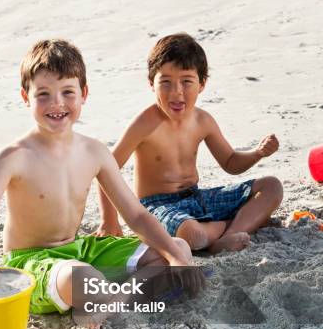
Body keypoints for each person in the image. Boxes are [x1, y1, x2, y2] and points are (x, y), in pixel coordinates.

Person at [0, 39, 204, 328]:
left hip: (81, 249)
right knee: (83, 278)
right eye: (43, 94)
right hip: (33, 261)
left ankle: (108, 305)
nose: (57, 103)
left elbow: (136, 215)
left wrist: (175, 257)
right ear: (25, 96)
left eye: (67, 92)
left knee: (178, 248)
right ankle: (111, 298)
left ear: (83, 94)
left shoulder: (94, 152)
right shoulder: (14, 157)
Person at [96, 33, 283, 254]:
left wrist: (257, 153)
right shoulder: (145, 123)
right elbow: (106, 168)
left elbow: (231, 162)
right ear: (151, 83)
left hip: (197, 198)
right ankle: (230, 229)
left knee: (271, 186)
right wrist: (109, 220)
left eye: (186, 81)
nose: (176, 92)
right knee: (193, 236)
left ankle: (230, 233)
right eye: (165, 82)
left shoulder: (203, 120)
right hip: (158, 206)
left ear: (202, 84)